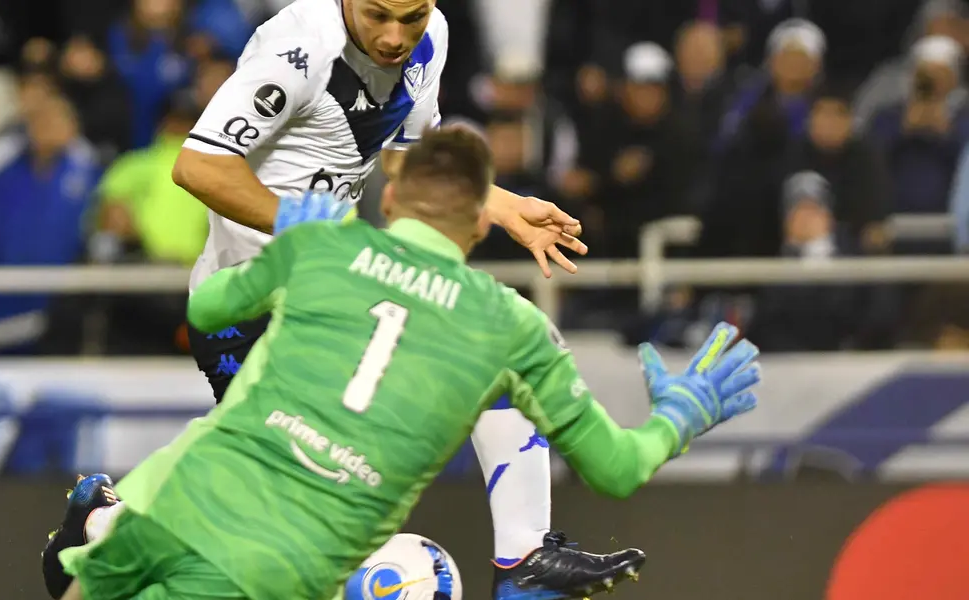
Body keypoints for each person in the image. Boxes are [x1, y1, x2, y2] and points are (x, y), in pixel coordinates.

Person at [42, 1, 616, 599]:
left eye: (412, 16)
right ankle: (107, 524)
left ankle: (525, 559)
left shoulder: (431, 35)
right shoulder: (298, 47)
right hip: (250, 302)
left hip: (333, 290)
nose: (394, 36)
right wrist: (304, 228)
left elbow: (405, 156)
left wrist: (501, 205)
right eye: (377, 15)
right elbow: (199, 165)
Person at [53, 126, 763, 600]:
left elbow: (207, 311)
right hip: (286, 560)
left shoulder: (324, 248)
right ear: (481, 223)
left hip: (186, 497)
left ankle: (103, 525)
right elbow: (617, 469)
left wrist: (287, 247)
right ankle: (521, 556)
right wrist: (679, 416)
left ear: (389, 200)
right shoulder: (508, 323)